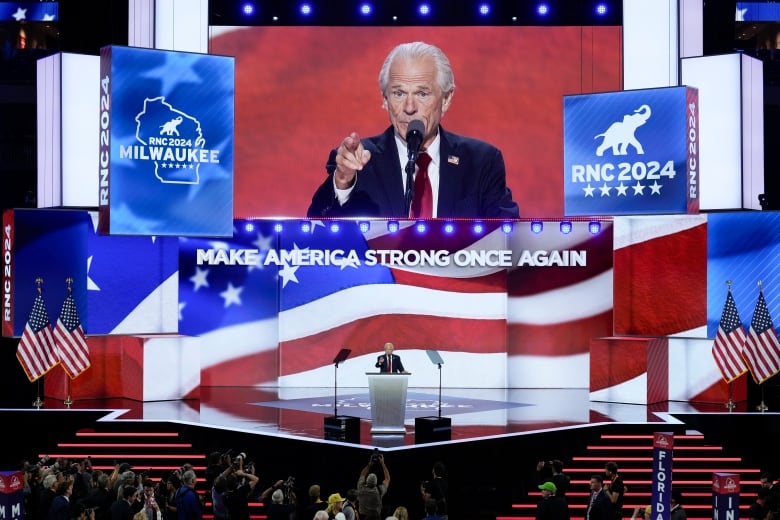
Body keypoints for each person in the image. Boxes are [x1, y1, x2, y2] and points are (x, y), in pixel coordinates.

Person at [307, 41, 520, 219]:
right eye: (399, 94)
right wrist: (343, 181)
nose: (409, 108)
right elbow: (316, 232)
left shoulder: (481, 162)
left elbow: (510, 239)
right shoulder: (358, 163)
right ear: (385, 99)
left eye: (422, 94)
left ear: (446, 99)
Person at [357, 453, 390, 520]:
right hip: (376, 517)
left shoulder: (361, 488)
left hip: (362, 517)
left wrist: (369, 464)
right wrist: (382, 464)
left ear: (366, 481)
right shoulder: (379, 491)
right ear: (376, 483)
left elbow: (362, 475)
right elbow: (387, 479)